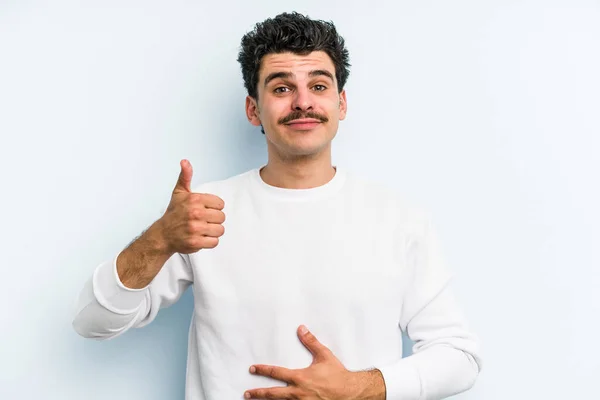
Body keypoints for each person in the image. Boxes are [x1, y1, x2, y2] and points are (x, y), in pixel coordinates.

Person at [72, 11, 482, 400]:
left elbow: (459, 356)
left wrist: (359, 388)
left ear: (341, 104)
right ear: (254, 110)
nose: (303, 102)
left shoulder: (398, 219)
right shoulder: (205, 214)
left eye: (318, 86)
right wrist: (160, 239)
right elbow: (93, 322)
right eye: (282, 87)